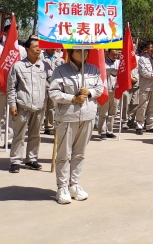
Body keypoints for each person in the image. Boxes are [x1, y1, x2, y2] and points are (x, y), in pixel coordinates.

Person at [49, 48, 104, 204]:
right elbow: (53, 93)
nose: (83, 53)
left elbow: (100, 88)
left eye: (86, 51)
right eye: (79, 51)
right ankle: (62, 187)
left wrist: (89, 92)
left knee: (79, 153)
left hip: (87, 116)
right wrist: (73, 98)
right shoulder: (61, 70)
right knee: (64, 154)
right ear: (70, 52)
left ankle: (74, 184)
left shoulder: (94, 70)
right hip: (68, 117)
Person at [7, 38, 48, 172]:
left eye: (39, 46)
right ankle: (15, 161)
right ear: (27, 49)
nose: (38, 49)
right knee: (19, 134)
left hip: (39, 106)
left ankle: (31, 159)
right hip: (22, 106)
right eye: (35, 46)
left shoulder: (45, 66)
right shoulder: (18, 66)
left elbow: (52, 83)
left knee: (35, 134)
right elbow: (11, 87)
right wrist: (12, 104)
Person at [135, 42, 153, 135]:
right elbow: (144, 73)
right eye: (150, 47)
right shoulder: (142, 59)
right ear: (146, 49)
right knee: (142, 107)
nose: (152, 49)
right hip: (145, 86)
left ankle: (150, 125)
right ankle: (139, 125)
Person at [42, 49, 64, 135]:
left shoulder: (59, 57)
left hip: (54, 85)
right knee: (41, 106)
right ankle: (38, 125)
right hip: (43, 84)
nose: (53, 48)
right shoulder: (41, 56)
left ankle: (49, 126)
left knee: (51, 107)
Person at [99, 50, 119, 139]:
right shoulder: (103, 63)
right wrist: (116, 71)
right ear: (108, 53)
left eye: (116, 54)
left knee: (113, 112)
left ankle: (109, 131)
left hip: (116, 90)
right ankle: (102, 131)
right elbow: (107, 71)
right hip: (105, 90)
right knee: (103, 112)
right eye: (113, 54)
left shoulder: (119, 62)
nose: (115, 56)